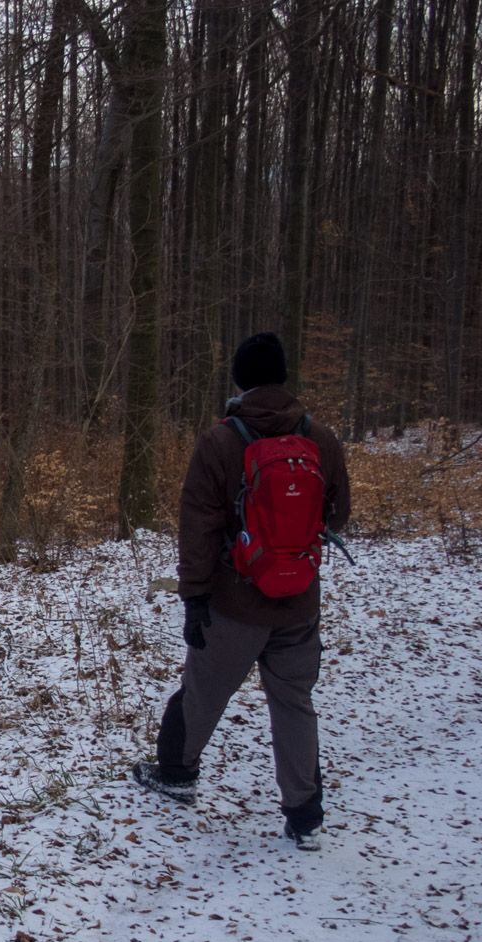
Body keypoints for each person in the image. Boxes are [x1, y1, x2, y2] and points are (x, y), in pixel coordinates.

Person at [133, 332, 351, 850]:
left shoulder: (221, 441)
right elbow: (337, 515)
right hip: (299, 600)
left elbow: (199, 527)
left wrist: (194, 596)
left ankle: (177, 775)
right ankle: (305, 816)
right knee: (295, 703)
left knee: (205, 693)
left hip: (234, 601)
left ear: (239, 379)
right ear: (282, 376)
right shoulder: (320, 438)